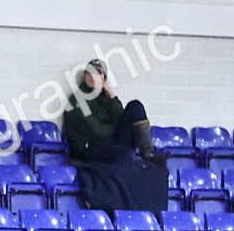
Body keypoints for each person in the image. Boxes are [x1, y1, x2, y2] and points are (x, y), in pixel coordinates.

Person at [62, 58, 167, 215]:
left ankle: (148, 152)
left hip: (110, 145)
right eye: (89, 73)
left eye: (98, 74)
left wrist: (111, 95)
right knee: (124, 154)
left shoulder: (105, 99)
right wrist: (115, 129)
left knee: (135, 106)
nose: (93, 77)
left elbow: (121, 119)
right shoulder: (77, 100)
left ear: (104, 78)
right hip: (90, 148)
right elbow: (97, 132)